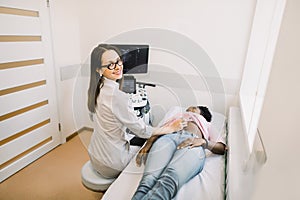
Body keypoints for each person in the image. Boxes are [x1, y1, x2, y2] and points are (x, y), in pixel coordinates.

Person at [87, 44, 185, 179]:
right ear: (99, 69)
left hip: (95, 156)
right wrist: (170, 128)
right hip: (111, 164)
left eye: (118, 61)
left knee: (137, 138)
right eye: (110, 65)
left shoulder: (96, 88)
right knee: (152, 147)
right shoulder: (116, 95)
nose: (118, 67)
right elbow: (142, 131)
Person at [132, 106, 227, 200]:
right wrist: (148, 144)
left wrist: (204, 142)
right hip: (167, 138)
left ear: (202, 113)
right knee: (147, 180)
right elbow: (160, 130)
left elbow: (222, 147)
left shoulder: (206, 123)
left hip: (192, 142)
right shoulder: (178, 116)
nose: (189, 110)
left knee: (168, 182)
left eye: (194, 108)